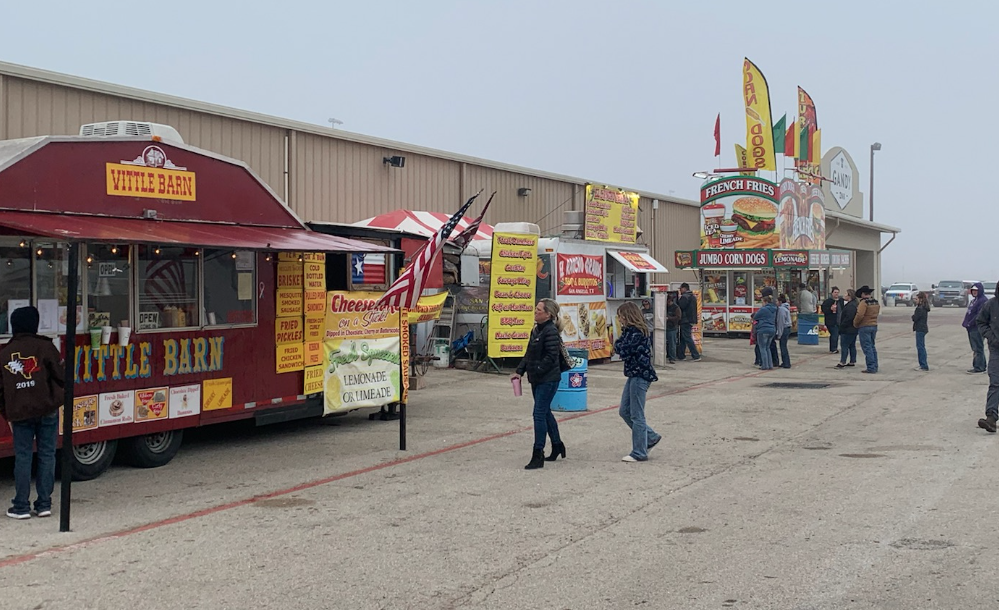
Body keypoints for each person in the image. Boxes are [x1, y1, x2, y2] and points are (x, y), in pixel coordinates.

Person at [0, 306, 65, 519]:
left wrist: (7, 412)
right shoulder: (46, 347)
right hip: (47, 409)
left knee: (23, 457)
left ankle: (21, 506)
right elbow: (62, 376)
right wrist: (57, 398)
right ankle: (44, 505)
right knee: (47, 454)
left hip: (20, 413)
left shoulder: (5, 353)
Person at [512, 299, 566, 470]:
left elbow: (551, 357)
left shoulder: (550, 331)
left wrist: (537, 368)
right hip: (536, 378)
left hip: (548, 379)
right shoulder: (536, 330)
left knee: (538, 414)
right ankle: (557, 444)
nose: (535, 312)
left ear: (548, 314)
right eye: (536, 309)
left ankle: (538, 453)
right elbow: (528, 353)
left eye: (538, 309)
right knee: (544, 412)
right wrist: (520, 371)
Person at [614, 302, 662, 462]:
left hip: (640, 375)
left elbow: (623, 349)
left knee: (637, 414)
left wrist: (619, 346)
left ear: (628, 316)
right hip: (633, 374)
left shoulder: (637, 332)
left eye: (621, 315)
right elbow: (619, 346)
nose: (619, 319)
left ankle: (639, 451)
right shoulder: (629, 331)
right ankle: (650, 436)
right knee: (624, 410)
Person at [976, 283, 999, 432]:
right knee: (995, 383)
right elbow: (980, 321)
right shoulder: (991, 304)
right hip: (996, 349)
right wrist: (992, 337)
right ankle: (991, 418)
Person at [854, 286, 881, 374]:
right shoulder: (875, 302)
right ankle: (875, 365)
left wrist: (855, 323)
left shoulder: (863, 303)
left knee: (867, 347)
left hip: (864, 326)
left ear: (862, 294)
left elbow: (860, 315)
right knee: (872, 346)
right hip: (874, 325)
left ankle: (871, 367)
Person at [964, 282, 988, 374]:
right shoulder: (974, 301)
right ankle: (980, 365)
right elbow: (969, 313)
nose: (974, 292)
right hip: (971, 328)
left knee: (978, 347)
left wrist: (970, 323)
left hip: (977, 328)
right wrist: (965, 323)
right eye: (973, 290)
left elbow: (979, 315)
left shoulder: (983, 301)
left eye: (976, 290)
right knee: (976, 348)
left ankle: (979, 367)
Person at [676, 283, 701, 362]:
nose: (680, 290)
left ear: (684, 288)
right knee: (683, 338)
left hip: (685, 320)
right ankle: (681, 355)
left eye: (681, 289)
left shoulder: (685, 297)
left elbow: (680, 306)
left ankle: (696, 355)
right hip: (690, 319)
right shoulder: (692, 296)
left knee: (687, 337)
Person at [753, 296, 778, 370]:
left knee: (762, 348)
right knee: (767, 348)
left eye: (762, 302)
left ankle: (765, 365)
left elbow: (755, 317)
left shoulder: (763, 309)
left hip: (763, 329)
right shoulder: (774, 309)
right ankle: (770, 365)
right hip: (772, 329)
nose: (762, 304)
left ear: (765, 302)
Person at [836, 289, 859, 369]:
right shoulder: (853, 304)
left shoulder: (851, 306)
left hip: (847, 329)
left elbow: (849, 318)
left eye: (845, 294)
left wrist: (842, 326)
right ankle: (852, 360)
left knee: (844, 345)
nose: (843, 295)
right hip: (853, 329)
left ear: (849, 296)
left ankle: (842, 361)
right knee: (852, 345)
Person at [911, 291, 930, 372]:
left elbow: (915, 318)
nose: (916, 300)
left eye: (917, 299)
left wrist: (913, 316)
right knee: (921, 346)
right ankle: (923, 364)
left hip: (920, 328)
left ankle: (923, 365)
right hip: (923, 328)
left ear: (921, 299)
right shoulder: (924, 307)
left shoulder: (920, 308)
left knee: (920, 347)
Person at [821, 287, 844, 354]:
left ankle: (832, 348)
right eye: (835, 292)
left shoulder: (840, 301)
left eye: (837, 292)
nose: (836, 294)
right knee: (835, 334)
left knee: (834, 335)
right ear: (832, 293)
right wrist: (830, 309)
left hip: (839, 320)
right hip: (831, 321)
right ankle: (834, 348)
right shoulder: (828, 301)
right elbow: (824, 310)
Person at [776, 294, 792, 368]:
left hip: (784, 328)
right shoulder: (786, 307)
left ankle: (786, 363)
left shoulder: (781, 309)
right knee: (783, 346)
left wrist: (779, 333)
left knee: (783, 346)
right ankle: (785, 362)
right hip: (788, 327)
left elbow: (781, 322)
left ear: (780, 302)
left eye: (777, 301)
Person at [665, 293, 681, 364]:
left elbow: (678, 317)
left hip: (672, 327)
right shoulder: (665, 307)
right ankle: (668, 356)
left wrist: (669, 318)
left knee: (672, 343)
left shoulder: (676, 308)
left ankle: (672, 358)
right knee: (668, 343)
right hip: (665, 327)